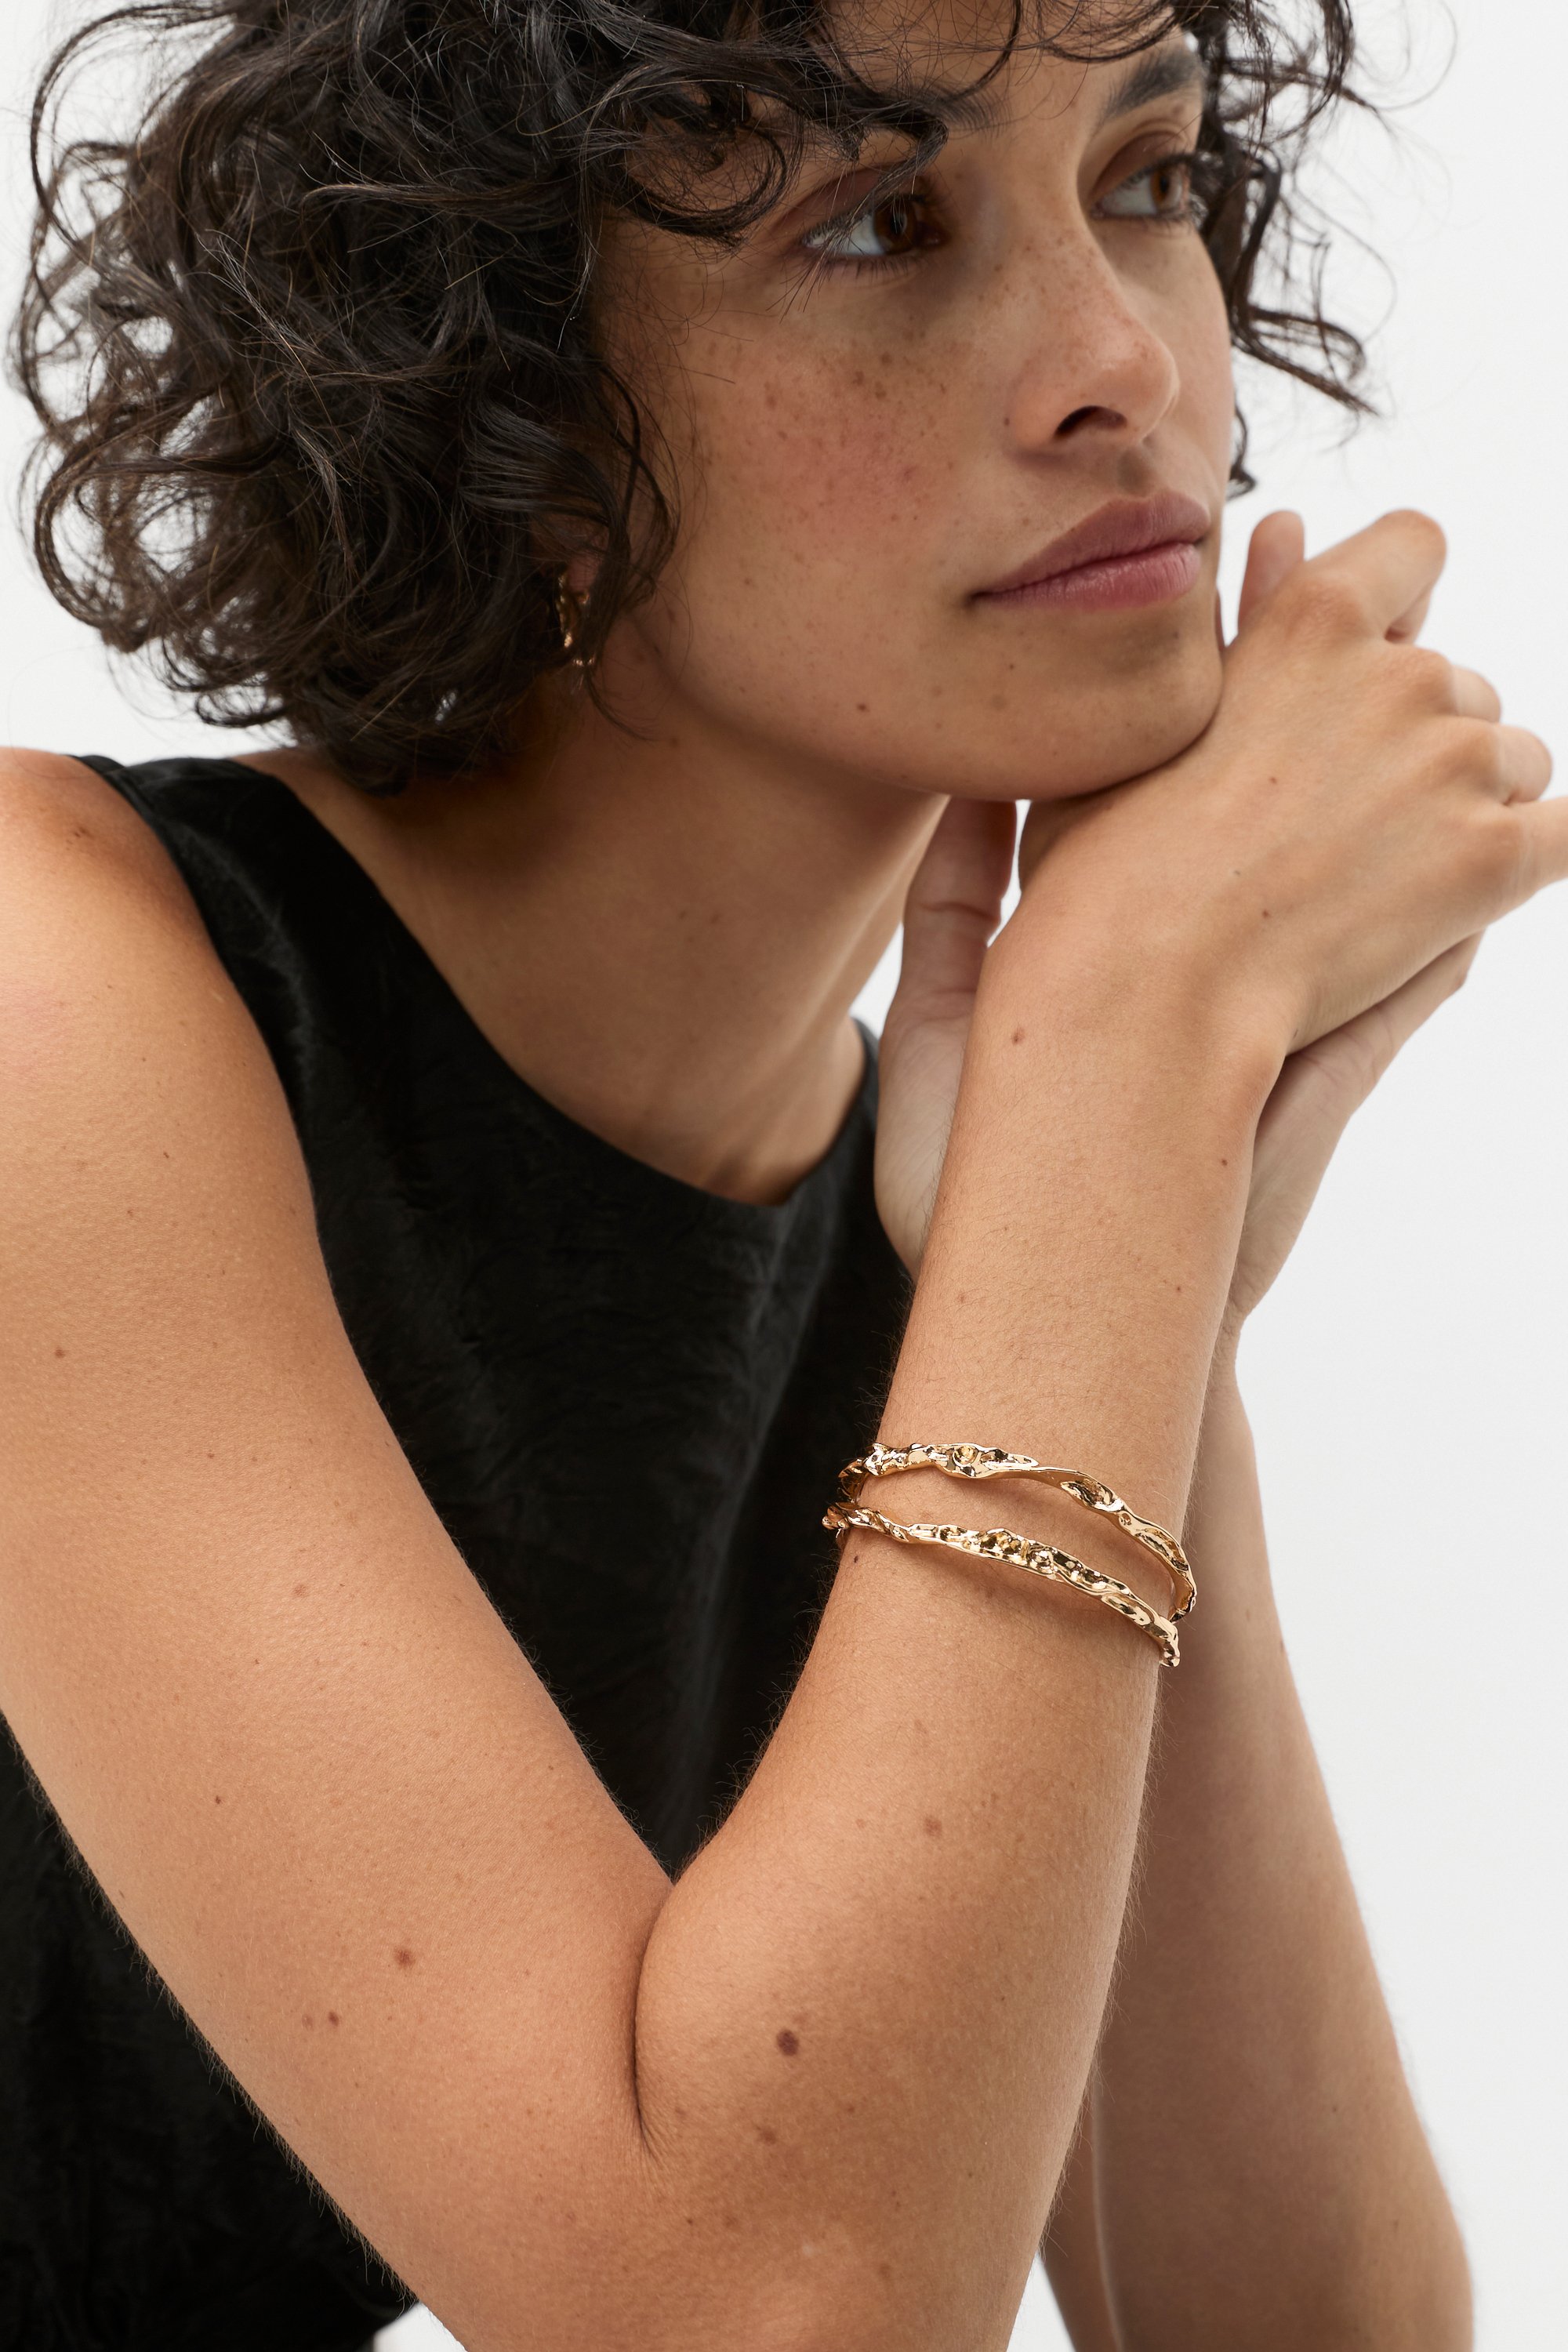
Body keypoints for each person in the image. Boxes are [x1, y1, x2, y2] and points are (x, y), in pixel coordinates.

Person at [0, 0, 1558, 2345]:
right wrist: (1126, 1070)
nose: (1124, 363)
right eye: (882, 223)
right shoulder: (50, 986)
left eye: (1147, 179)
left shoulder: (961, 1198)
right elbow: (761, 2313)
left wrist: (1137, 1231)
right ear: (509, 399)